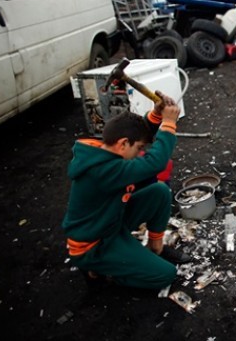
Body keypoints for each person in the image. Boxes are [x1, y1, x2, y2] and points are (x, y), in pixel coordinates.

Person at [62, 91, 191, 291]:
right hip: (95, 245)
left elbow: (135, 134)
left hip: (112, 220)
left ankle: (155, 247)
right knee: (165, 275)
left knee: (158, 191)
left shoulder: (107, 151)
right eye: (139, 147)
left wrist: (156, 116)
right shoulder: (103, 170)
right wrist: (168, 125)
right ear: (123, 144)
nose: (140, 151)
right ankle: (108, 274)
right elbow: (155, 163)